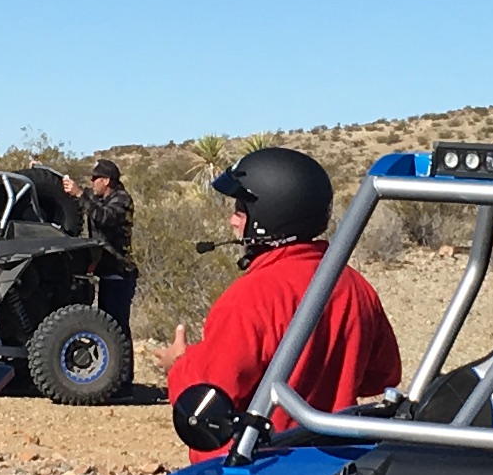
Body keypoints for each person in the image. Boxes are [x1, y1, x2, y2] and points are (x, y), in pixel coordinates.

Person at [163, 146, 395, 452]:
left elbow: (207, 400)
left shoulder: (251, 297)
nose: (233, 221)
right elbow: (382, 376)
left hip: (258, 465)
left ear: (266, 218)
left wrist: (179, 364)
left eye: (240, 211)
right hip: (334, 462)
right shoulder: (355, 286)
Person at [74, 159, 140, 328]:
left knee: (117, 327)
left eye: (95, 178)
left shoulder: (122, 199)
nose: (92, 183)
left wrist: (79, 195)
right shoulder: (101, 199)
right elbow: (87, 199)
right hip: (107, 272)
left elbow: (104, 217)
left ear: (106, 181)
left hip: (119, 272)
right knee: (108, 326)